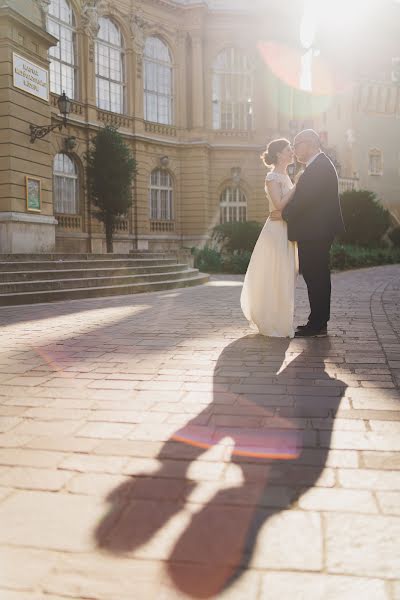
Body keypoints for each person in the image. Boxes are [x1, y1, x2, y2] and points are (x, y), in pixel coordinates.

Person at [282, 129, 344, 337]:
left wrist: (283, 213)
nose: (294, 150)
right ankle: (317, 320)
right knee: (315, 275)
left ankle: (317, 323)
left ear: (309, 144)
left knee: (316, 275)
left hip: (317, 231)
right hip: (315, 230)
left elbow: (305, 200)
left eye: (296, 144)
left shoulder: (319, 167)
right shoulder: (317, 165)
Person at [240, 138, 298, 337]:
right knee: (275, 274)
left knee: (285, 276)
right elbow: (279, 204)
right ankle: (270, 320)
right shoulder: (272, 177)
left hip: (286, 228)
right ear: (279, 154)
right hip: (275, 231)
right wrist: (297, 187)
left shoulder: (286, 176)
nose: (292, 152)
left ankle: (282, 320)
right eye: (289, 149)